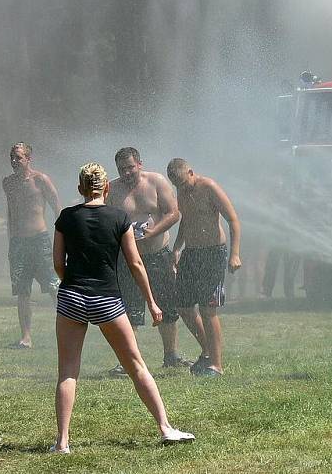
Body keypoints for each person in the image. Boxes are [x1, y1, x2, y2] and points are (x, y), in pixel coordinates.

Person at [51, 162, 194, 452]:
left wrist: (74, 285)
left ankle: (62, 442)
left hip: (71, 297)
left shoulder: (66, 217)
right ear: (106, 188)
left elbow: (57, 263)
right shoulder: (119, 217)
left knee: (68, 371)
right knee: (137, 366)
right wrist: (152, 302)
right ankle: (166, 429)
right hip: (106, 299)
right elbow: (136, 263)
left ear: (80, 189)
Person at [108, 147, 190, 376]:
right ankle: (128, 361)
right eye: (122, 169)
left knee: (166, 305)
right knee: (128, 309)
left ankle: (171, 355)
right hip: (129, 258)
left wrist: (153, 232)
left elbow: (174, 213)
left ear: (140, 164)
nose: (127, 173)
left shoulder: (156, 182)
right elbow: (106, 219)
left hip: (157, 253)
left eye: (130, 167)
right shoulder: (112, 189)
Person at [166, 158, 242, 376]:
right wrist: (177, 248)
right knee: (183, 306)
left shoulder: (208, 187)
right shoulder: (182, 191)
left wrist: (235, 254)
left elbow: (233, 220)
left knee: (208, 309)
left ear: (191, 172)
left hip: (213, 253)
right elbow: (186, 221)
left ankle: (216, 365)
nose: (181, 188)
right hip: (191, 253)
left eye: (182, 182)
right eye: (176, 185)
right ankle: (207, 351)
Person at [2, 142, 61, 348]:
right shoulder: (7, 183)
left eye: (18, 157)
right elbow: (10, 212)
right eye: (12, 157)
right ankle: (26, 337)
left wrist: (62, 237)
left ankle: (67, 329)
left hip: (39, 240)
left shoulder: (40, 180)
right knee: (22, 290)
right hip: (18, 243)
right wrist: (10, 240)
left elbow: (56, 207)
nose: (14, 161)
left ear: (28, 159)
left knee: (54, 286)